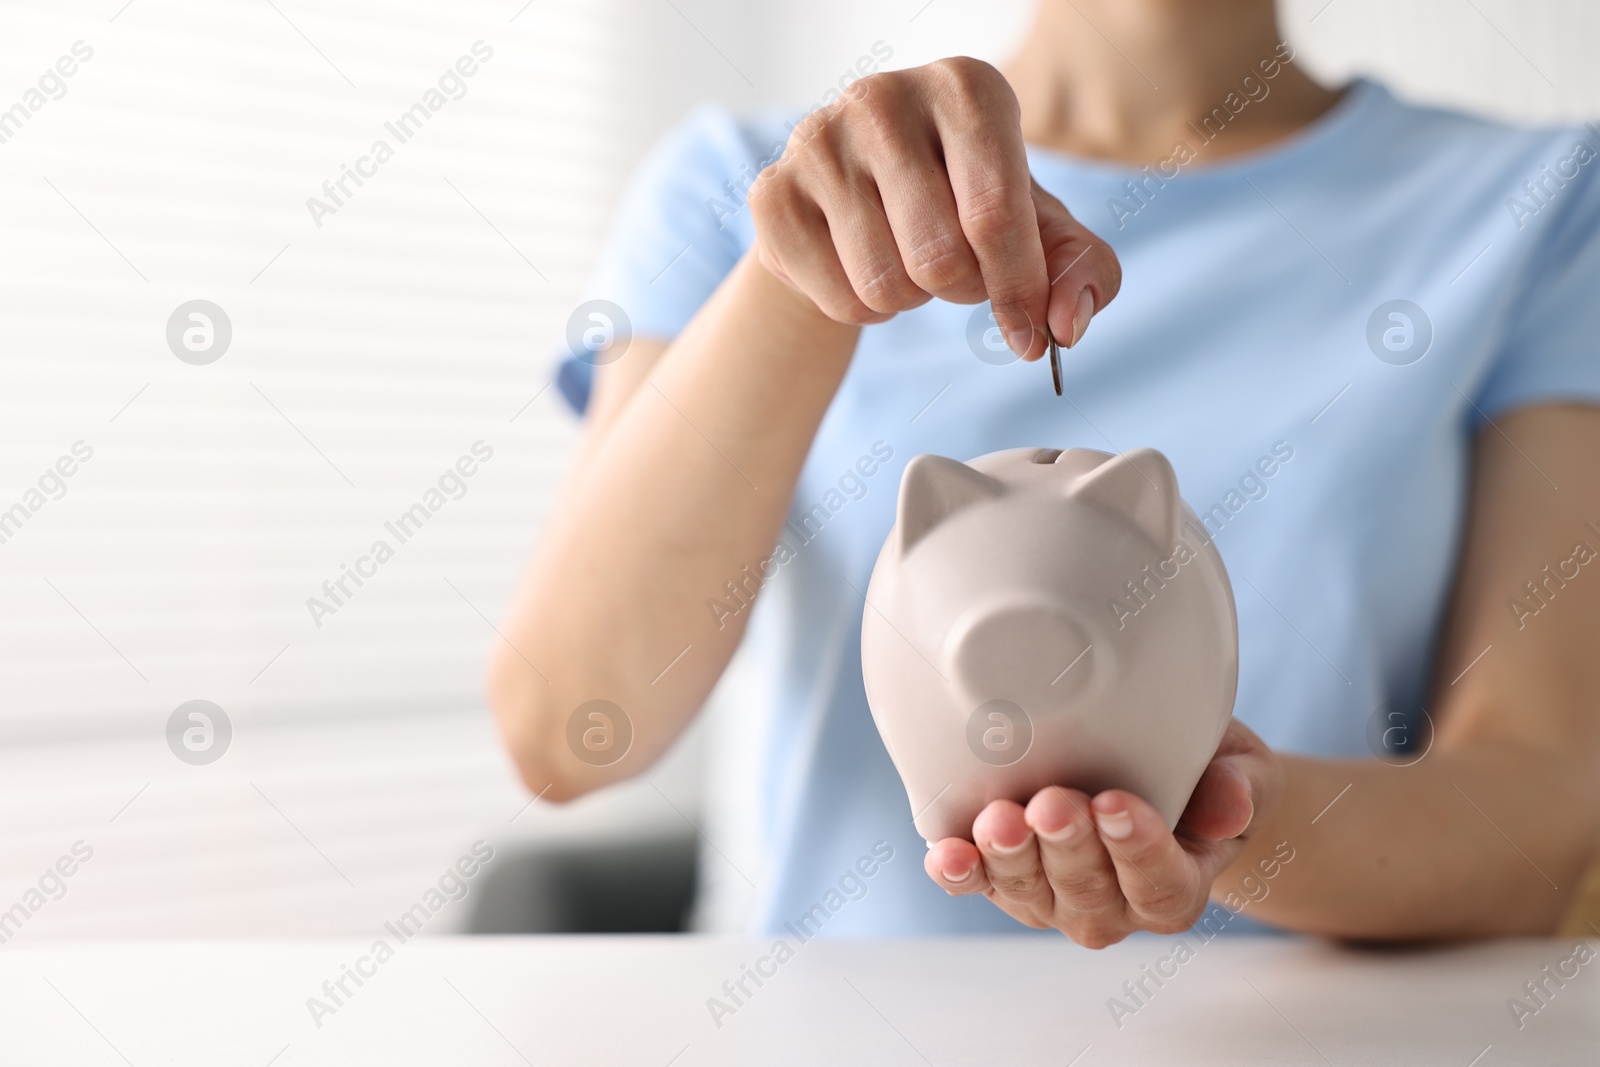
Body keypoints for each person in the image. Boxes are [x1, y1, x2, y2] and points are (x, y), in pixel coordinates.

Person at [489, 0, 1600, 946]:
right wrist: (801, 281)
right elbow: (572, 728)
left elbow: (1545, 809)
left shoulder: (1545, 203)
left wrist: (1229, 821)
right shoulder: (747, 184)